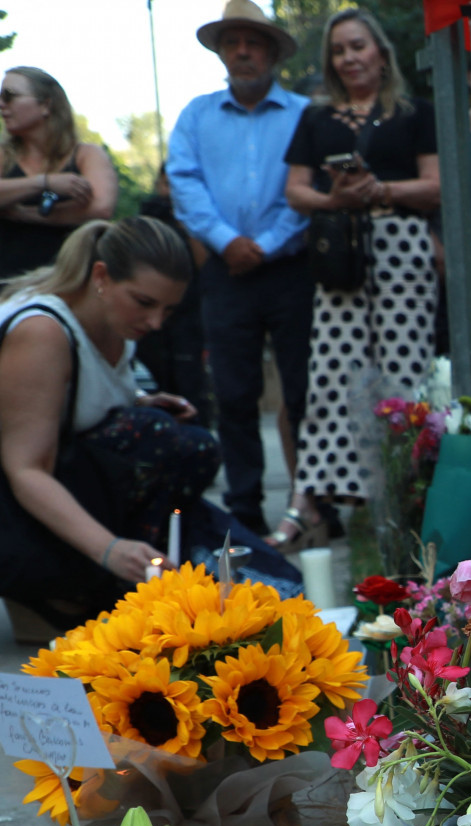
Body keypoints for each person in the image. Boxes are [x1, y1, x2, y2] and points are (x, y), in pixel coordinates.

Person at [0, 218, 298, 629]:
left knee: (194, 447)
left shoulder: (113, 322)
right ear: (101, 276)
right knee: (157, 438)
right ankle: (78, 587)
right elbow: (25, 468)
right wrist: (110, 549)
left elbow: (68, 402)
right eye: (144, 302)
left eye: (168, 310)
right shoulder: (40, 329)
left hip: (45, 477)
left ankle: (145, 582)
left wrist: (140, 400)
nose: (156, 322)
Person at [282, 6, 439, 536]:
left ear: (380, 52)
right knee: (334, 371)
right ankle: (331, 495)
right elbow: (294, 191)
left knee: (406, 368)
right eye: (338, 50)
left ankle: (411, 490)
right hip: (340, 251)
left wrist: (381, 190)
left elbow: (436, 185)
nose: (348, 58)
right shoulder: (316, 118)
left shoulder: (414, 112)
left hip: (401, 244)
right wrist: (335, 198)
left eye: (357, 46)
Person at [168, 0, 313, 538]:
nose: (243, 51)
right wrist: (228, 242)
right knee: (232, 393)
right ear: (221, 52)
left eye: (253, 42)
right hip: (225, 272)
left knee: (304, 390)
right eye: (233, 42)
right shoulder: (196, 116)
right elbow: (184, 183)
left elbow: (311, 186)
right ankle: (245, 510)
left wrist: (267, 244)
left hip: (293, 268)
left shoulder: (303, 113)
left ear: (272, 52)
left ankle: (314, 504)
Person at [0, 67, 118, 283]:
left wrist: (24, 214)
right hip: (12, 287)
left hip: (74, 287)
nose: (1, 105)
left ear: (46, 104)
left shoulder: (88, 154)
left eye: (9, 96)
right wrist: (45, 183)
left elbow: (101, 208)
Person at [136, 169, 213, 430]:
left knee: (190, 381)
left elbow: (204, 264)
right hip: (151, 321)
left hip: (187, 315)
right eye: (165, 184)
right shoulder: (147, 218)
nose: (169, 191)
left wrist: (188, 220)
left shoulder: (194, 219)